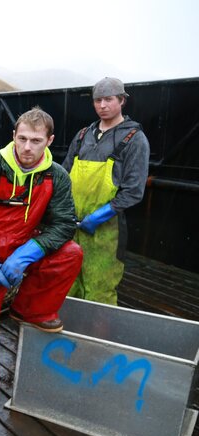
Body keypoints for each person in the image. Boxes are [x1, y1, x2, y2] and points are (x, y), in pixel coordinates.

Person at [0, 107, 83, 415]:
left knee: (71, 254)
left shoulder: (56, 176)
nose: (27, 147)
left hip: (20, 249)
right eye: (22, 138)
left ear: (49, 141)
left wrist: (27, 254)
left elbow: (64, 223)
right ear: (13, 136)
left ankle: (29, 310)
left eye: (36, 141)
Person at [63, 77, 151, 306]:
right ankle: (68, 327)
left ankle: (97, 330)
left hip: (106, 230)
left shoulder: (135, 139)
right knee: (67, 283)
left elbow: (134, 191)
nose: (102, 105)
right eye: (97, 100)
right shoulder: (83, 135)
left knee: (99, 290)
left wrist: (99, 216)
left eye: (109, 99)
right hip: (71, 225)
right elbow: (64, 175)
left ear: (122, 101)